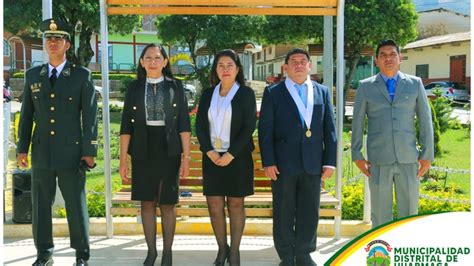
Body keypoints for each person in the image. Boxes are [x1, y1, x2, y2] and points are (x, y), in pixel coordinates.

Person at [16, 18, 98, 266]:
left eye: (58, 39)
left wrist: (89, 150)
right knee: (40, 207)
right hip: (42, 153)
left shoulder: (81, 76)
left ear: (67, 44)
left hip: (71, 153)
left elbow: (91, 116)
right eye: (49, 39)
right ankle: (44, 254)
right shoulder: (33, 75)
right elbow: (27, 115)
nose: (52, 42)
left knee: (75, 204)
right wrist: (22, 148)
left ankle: (81, 255)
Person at [258, 48, 337, 266]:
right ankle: (286, 255)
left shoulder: (322, 91)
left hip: (313, 162)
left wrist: (330, 161)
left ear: (310, 66)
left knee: (309, 209)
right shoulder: (274, 92)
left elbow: (329, 129)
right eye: (294, 61)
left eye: (303, 61)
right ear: (286, 67)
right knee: (283, 210)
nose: (299, 65)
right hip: (283, 164)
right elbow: (265, 130)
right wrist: (269, 161)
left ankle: (303, 253)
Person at [119, 43, 191, 266]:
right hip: (142, 147)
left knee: (168, 203)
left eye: (157, 58)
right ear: (142, 62)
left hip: (169, 148)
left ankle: (167, 254)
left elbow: (183, 124)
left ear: (165, 61)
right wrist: (123, 159)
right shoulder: (134, 87)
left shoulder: (175, 86)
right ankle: (151, 252)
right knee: (147, 203)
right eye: (148, 58)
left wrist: (186, 157)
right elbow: (125, 127)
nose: (153, 62)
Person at [351, 39, 434, 228]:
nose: (388, 58)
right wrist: (357, 154)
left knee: (410, 213)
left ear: (400, 58)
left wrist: (427, 155)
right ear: (376, 61)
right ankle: (383, 255)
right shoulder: (365, 86)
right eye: (383, 55)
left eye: (392, 54)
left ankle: (405, 252)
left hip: (408, 158)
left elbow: (425, 120)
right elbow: (356, 123)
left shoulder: (415, 84)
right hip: (378, 160)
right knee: (380, 214)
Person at [195, 49, 256, 266]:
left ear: (237, 69)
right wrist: (209, 151)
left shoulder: (246, 94)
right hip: (212, 157)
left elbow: (249, 126)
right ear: (216, 70)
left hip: (236, 158)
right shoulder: (207, 94)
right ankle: (222, 249)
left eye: (229, 65)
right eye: (220, 65)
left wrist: (230, 154)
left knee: (236, 205)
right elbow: (200, 126)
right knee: (214, 205)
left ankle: (235, 252)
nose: (225, 69)